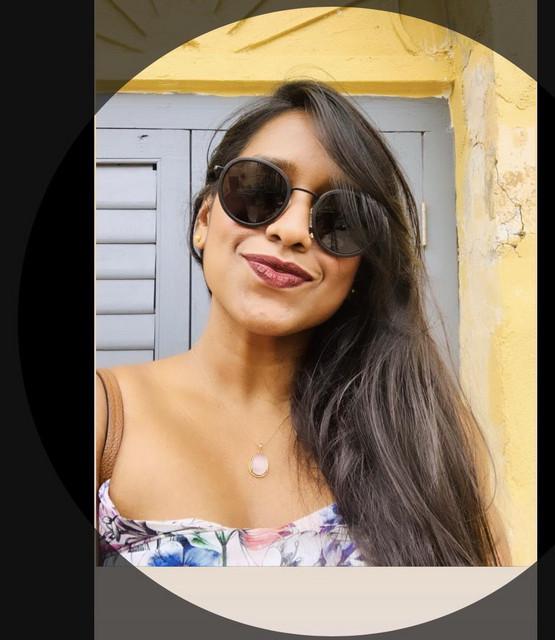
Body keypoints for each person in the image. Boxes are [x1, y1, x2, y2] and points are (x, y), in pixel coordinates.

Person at [95, 79, 511, 567]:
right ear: (204, 220)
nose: (291, 230)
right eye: (258, 191)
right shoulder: (107, 417)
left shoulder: (422, 434)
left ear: (361, 267)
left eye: (340, 218)